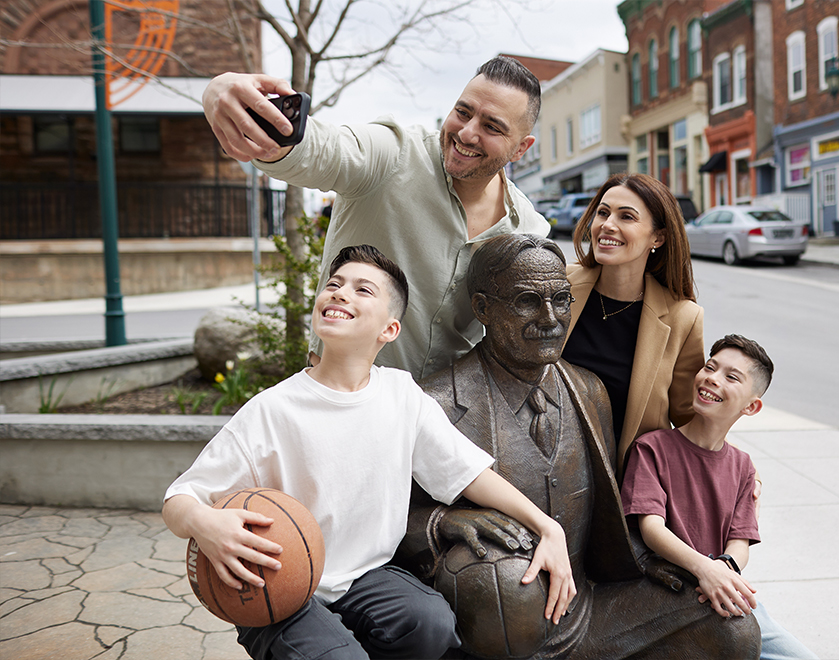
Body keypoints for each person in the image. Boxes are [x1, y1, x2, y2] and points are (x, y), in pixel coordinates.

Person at [162, 244, 575, 660]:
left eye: (363, 290)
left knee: (430, 625)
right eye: (334, 284)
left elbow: (469, 473)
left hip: (363, 578)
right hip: (278, 586)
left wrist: (547, 528)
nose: (340, 293)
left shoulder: (400, 395)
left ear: (389, 330)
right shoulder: (272, 409)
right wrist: (205, 524)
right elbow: (180, 498)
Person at [400, 235, 760, 659]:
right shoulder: (435, 403)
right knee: (504, 591)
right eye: (527, 301)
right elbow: (388, 516)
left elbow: (610, 506)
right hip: (504, 617)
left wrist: (646, 558)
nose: (550, 318)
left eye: (560, 299)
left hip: (587, 606)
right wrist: (441, 522)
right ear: (482, 308)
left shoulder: (589, 391)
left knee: (733, 630)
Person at [201, 56, 549, 378]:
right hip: (344, 397)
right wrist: (226, 93)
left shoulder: (527, 229)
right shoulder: (393, 154)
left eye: (492, 127)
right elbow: (323, 149)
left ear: (521, 148)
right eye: (463, 111)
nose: (467, 132)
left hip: (445, 413)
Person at [621, 334, 818, 659]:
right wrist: (705, 570)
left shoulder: (743, 467)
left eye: (731, 377)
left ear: (751, 406)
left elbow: (740, 543)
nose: (712, 378)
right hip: (670, 588)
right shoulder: (652, 448)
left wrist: (723, 569)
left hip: (724, 588)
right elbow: (652, 529)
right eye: (710, 367)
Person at [562, 173, 703, 475]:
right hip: (546, 476)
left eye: (626, 216)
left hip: (625, 482)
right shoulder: (559, 284)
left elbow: (689, 418)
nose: (607, 225)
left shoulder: (683, 317)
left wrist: (737, 468)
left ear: (658, 237)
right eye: (603, 212)